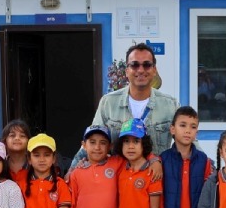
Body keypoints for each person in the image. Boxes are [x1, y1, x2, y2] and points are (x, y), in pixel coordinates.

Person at [74, 43, 178, 175]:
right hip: (119, 183)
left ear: (154, 70)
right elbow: (93, 140)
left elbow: (187, 142)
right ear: (126, 71)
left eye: (146, 65)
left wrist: (209, 170)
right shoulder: (109, 102)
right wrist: (71, 170)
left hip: (156, 183)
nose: (141, 70)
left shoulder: (170, 105)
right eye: (135, 65)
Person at [3, 120, 32, 189]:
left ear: (29, 141)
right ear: (5, 140)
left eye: (22, 136)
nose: (17, 138)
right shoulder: (0, 165)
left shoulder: (34, 165)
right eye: (12, 135)